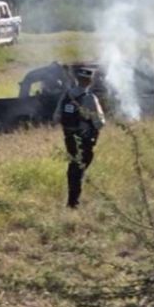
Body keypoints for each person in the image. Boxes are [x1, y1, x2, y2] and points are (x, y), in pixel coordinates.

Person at [53, 67, 106, 208]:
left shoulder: (66, 95)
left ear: (77, 79)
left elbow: (56, 117)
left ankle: (72, 198)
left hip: (69, 136)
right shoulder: (90, 98)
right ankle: (73, 201)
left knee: (73, 165)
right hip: (84, 138)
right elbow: (100, 122)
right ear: (90, 81)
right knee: (81, 166)